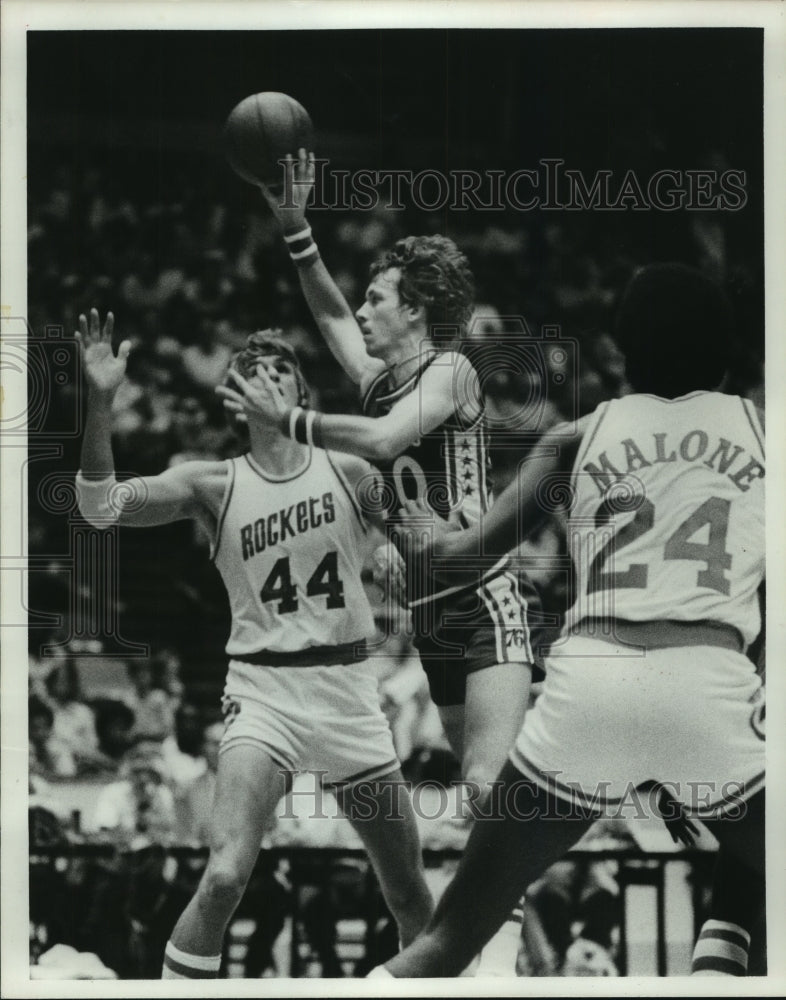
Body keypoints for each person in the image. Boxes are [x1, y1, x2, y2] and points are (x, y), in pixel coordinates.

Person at [369, 262, 765, 977]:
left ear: (620, 350)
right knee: (757, 877)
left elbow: (460, 559)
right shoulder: (766, 437)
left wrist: (421, 537)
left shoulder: (576, 436)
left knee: (446, 940)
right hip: (707, 682)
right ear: (729, 352)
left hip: (588, 688)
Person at [223, 163, 543, 972]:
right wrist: (297, 232)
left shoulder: (452, 370)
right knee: (483, 795)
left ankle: (510, 949)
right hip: (430, 612)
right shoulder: (379, 380)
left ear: (418, 310)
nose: (363, 308)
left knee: (482, 785)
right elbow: (328, 311)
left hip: (484, 595)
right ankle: (514, 935)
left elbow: (386, 440)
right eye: (365, 297)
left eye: (378, 298)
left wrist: (287, 415)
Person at [74, 309, 433, 979]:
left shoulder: (353, 471)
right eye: (252, 372)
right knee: (223, 876)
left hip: (349, 691)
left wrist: (396, 555)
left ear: (302, 395)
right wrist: (97, 404)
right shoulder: (210, 481)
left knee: (409, 891)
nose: (267, 378)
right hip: (262, 693)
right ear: (234, 399)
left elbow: (425, 551)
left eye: (281, 370)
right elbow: (100, 508)